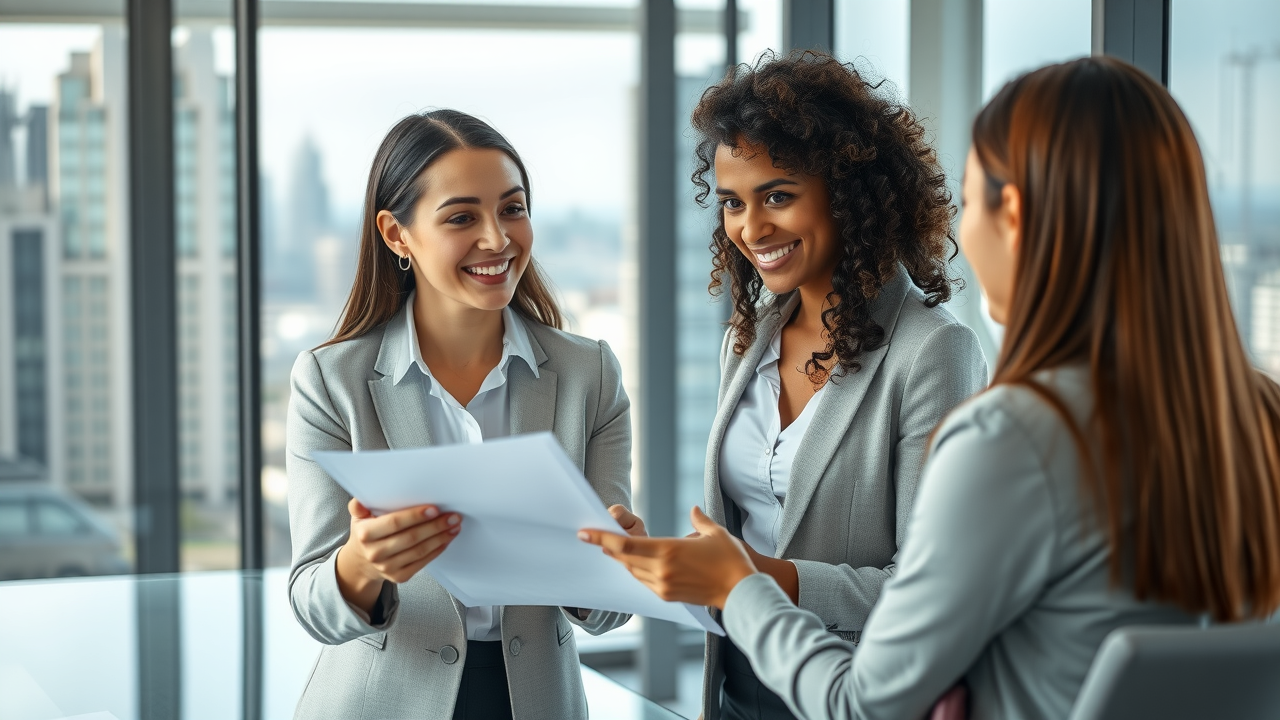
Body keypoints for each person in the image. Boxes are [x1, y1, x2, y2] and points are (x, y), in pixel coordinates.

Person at [583, 56, 1280, 719]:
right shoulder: (1252, 414)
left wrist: (742, 586)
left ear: (1012, 215)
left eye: (971, 198)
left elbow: (867, 703)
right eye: (733, 203)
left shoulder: (1013, 432)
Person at [607, 51, 987, 720]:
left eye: (777, 195)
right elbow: (748, 533)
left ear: (848, 192)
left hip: (849, 692)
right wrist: (665, 562)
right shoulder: (747, 339)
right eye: (732, 203)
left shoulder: (934, 351)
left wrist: (756, 580)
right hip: (735, 688)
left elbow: (929, 594)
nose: (751, 228)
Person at [286, 109, 633, 720]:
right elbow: (311, 603)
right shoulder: (330, 382)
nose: (497, 239)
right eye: (461, 217)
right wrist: (361, 566)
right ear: (396, 234)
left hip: (536, 701)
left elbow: (609, 613)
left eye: (513, 208)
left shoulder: (590, 375)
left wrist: (612, 569)